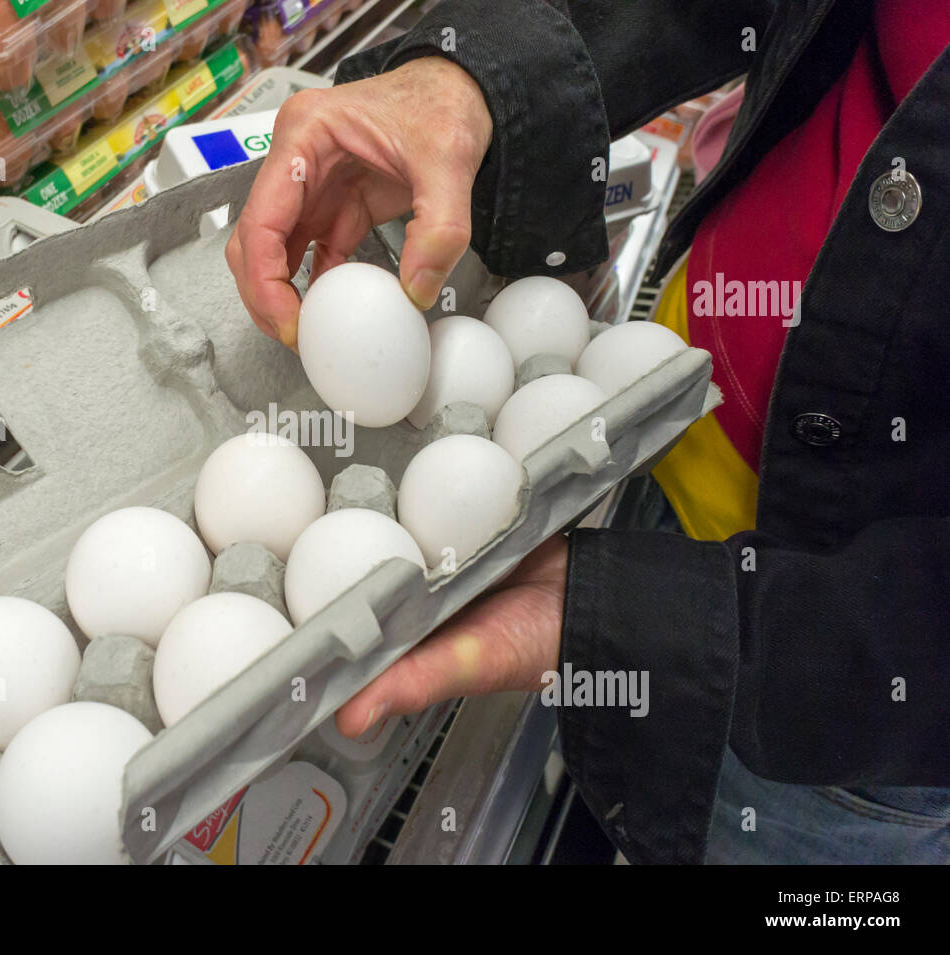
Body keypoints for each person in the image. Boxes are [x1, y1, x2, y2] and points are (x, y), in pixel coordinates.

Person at [226, 0, 950, 864]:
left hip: (845, 696)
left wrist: (669, 630)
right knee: (607, 779)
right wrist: (473, 78)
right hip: (672, 429)